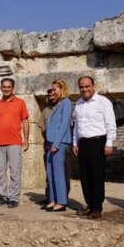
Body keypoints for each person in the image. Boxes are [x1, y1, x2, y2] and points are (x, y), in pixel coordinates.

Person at [72, 76, 116, 219]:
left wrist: (109, 143)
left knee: (97, 176)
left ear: (93, 86)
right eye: (82, 87)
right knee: (85, 177)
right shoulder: (78, 104)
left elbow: (110, 123)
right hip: (83, 143)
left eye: (87, 86)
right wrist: (75, 142)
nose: (84, 89)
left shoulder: (103, 102)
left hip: (98, 142)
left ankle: (97, 208)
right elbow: (77, 126)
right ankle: (89, 205)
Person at [0, 78, 29, 209]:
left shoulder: (20, 103)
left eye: (9, 87)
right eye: (4, 87)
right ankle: (2, 196)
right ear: (1, 88)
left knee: (15, 171)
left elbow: (25, 122)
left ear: (13, 88)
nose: (6, 89)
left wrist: (26, 140)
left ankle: (13, 198)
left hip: (14, 142)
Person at [42, 79, 73, 212]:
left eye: (55, 89)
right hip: (51, 142)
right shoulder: (59, 104)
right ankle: (53, 199)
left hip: (59, 142)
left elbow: (65, 124)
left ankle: (61, 202)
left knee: (58, 172)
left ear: (62, 89)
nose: (53, 92)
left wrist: (56, 143)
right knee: (50, 172)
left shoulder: (66, 103)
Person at [37, 89, 56, 204]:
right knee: (49, 172)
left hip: (61, 146)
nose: (52, 97)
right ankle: (50, 197)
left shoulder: (64, 109)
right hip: (48, 145)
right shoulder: (45, 111)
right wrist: (47, 140)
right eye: (50, 96)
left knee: (62, 172)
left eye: (54, 95)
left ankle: (62, 197)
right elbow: (42, 128)